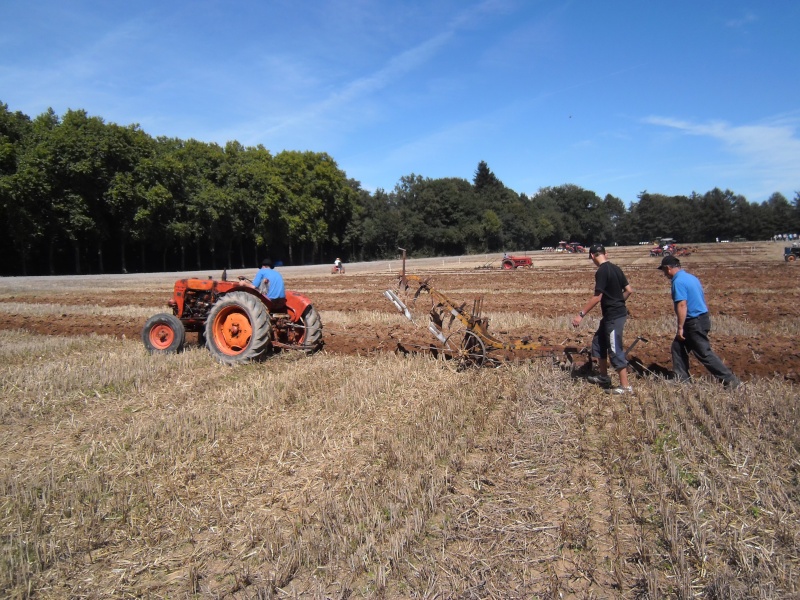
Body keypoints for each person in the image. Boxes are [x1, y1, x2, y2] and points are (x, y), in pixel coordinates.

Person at [657, 255, 741, 388]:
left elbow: (682, 305)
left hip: (693, 321)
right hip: (702, 318)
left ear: (668, 269)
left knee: (704, 353)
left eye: (663, 271)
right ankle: (682, 378)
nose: (664, 274)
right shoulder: (691, 277)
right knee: (678, 347)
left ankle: (730, 380)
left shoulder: (678, 282)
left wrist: (680, 327)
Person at [572, 244, 634, 394]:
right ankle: (604, 376)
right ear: (605, 253)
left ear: (592, 256)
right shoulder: (616, 268)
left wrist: (581, 315)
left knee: (614, 348)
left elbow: (597, 297)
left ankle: (625, 387)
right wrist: (619, 301)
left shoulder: (602, 271)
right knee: (599, 342)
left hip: (614, 316)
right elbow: (629, 290)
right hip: (612, 314)